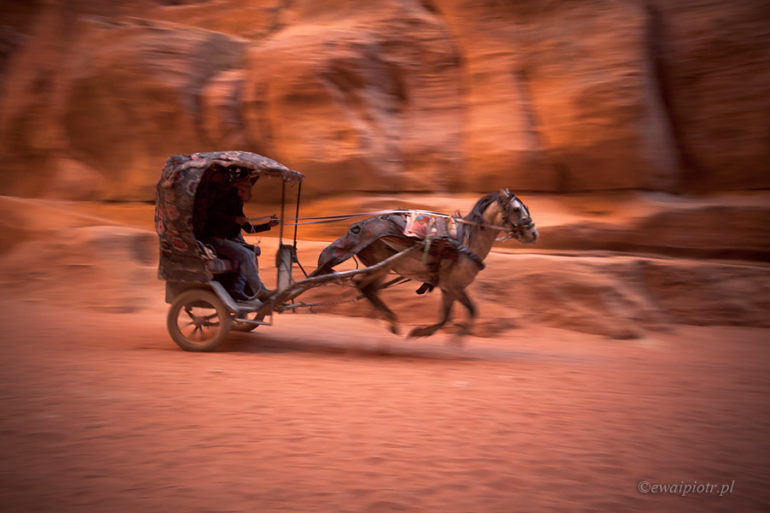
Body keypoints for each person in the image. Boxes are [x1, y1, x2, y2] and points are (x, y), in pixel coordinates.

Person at [201, 172, 279, 302]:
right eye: (249, 191)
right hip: (215, 239)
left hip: (224, 240)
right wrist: (234, 219)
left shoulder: (237, 203)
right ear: (240, 191)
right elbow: (213, 215)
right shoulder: (227, 199)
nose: (251, 195)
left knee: (250, 254)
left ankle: (238, 289)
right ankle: (260, 292)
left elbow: (248, 228)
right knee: (246, 255)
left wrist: (268, 225)